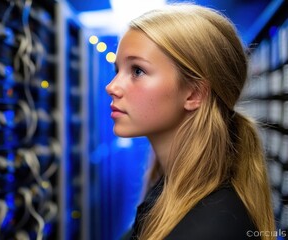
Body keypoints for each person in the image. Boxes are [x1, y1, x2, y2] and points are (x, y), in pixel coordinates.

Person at [105, 3, 275, 240]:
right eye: (117, 70)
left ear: (194, 94)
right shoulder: (173, 190)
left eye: (137, 71)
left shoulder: (210, 227)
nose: (111, 87)